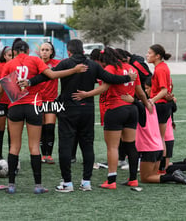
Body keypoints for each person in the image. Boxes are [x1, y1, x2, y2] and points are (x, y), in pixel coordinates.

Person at [24, 40, 137, 193]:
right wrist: (128, 78)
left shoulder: (65, 63)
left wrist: (29, 82)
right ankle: (86, 182)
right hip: (87, 109)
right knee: (87, 145)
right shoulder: (93, 65)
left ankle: (67, 183)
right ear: (82, 50)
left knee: (65, 145)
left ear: (69, 51)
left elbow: (46, 76)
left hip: (67, 108)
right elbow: (110, 79)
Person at [0, 38, 88, 194]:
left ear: (14, 52)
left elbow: (1, 91)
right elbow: (53, 75)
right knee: (34, 147)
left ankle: (12, 186)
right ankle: (38, 185)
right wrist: (74, 70)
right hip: (34, 106)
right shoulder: (34, 60)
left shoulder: (9, 64)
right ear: (28, 51)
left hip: (15, 107)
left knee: (14, 146)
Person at [72, 47, 151, 189]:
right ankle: (133, 179)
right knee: (130, 145)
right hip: (132, 110)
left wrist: (85, 94)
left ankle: (111, 180)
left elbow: (104, 88)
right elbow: (140, 92)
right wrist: (147, 104)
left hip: (115, 109)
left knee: (112, 147)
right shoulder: (131, 68)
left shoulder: (110, 68)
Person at [146, 44, 173, 172]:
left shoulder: (160, 69)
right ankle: (160, 167)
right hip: (163, 105)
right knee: (159, 137)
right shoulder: (161, 67)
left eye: (149, 53)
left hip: (161, 106)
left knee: (159, 138)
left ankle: (161, 168)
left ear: (157, 56)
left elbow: (164, 90)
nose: (147, 55)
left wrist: (152, 100)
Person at [39, 42, 60, 164]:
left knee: (50, 127)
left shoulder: (57, 64)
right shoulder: (36, 63)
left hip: (52, 100)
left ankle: (49, 155)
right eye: (42, 49)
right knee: (41, 129)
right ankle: (43, 155)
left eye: (47, 49)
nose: (45, 52)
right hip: (38, 100)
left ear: (51, 51)